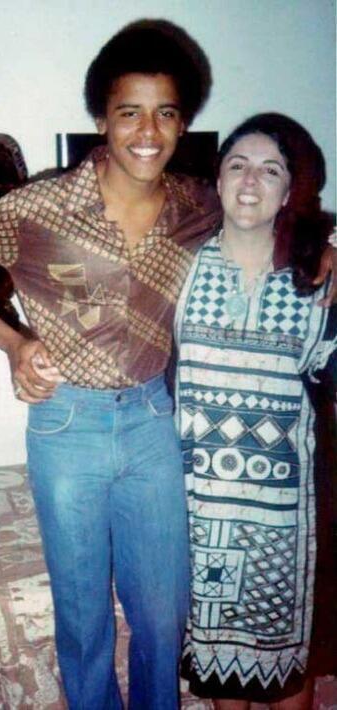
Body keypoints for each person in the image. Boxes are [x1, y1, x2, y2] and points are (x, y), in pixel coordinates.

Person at [0, 19, 221, 708]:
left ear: (183, 122)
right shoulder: (41, 209)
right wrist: (13, 342)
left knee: (163, 616)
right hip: (67, 425)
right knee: (82, 620)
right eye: (129, 112)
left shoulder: (198, 204)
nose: (148, 131)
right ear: (101, 120)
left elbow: (270, 217)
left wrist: (327, 244)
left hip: (153, 421)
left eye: (166, 113)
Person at [174, 113, 336, 710]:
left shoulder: (317, 279)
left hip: (287, 512)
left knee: (289, 666)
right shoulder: (178, 267)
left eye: (270, 171)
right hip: (199, 505)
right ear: (217, 181)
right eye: (237, 166)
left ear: (289, 192)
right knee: (222, 668)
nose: (250, 181)